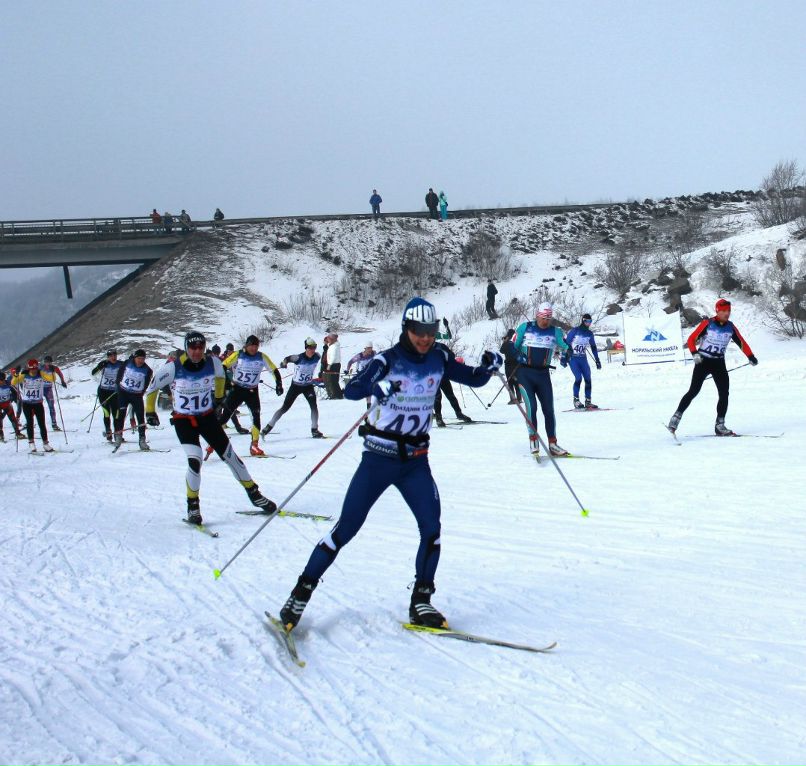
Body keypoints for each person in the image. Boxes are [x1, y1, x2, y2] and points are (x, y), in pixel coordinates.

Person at [276, 297, 502, 632]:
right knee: (346, 529)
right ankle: (300, 593)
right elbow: (351, 390)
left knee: (432, 529)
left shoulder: (439, 356)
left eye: (430, 330)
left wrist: (489, 365)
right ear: (406, 329)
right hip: (379, 458)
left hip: (415, 461)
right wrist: (375, 385)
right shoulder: (388, 359)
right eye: (418, 331)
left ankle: (421, 600)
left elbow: (474, 378)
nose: (425, 337)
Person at [144, 331, 275, 525]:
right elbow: (153, 387)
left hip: (206, 418)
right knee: (195, 459)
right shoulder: (174, 367)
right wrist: (150, 412)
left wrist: (219, 397)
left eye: (200, 348)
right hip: (184, 420)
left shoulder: (212, 362)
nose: (197, 352)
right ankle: (193, 506)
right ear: (186, 347)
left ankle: (254, 494)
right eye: (193, 348)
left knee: (231, 456)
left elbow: (221, 375)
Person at [667, 298, 758, 436]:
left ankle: (720, 426)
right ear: (717, 311)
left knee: (724, 393)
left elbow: (742, 343)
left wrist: (750, 356)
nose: (727, 313)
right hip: (703, 361)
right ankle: (675, 419)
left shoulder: (730, 327)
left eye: (728, 311)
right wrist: (694, 353)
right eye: (723, 311)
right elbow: (691, 340)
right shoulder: (708, 323)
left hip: (719, 363)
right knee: (694, 391)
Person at [512, 302, 570, 456]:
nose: (545, 321)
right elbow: (511, 346)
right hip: (525, 373)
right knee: (532, 407)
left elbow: (565, 346)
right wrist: (518, 356)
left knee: (548, 409)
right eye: (543, 318)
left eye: (549, 318)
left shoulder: (555, 331)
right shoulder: (525, 327)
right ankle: (533, 439)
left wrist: (567, 353)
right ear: (537, 315)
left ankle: (553, 444)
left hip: (543, 375)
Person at [215, 335, 283, 456]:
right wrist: (226, 383)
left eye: (256, 346)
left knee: (256, 417)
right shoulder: (239, 354)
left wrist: (279, 384)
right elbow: (223, 366)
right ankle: (213, 443)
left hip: (252, 391)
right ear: (246, 345)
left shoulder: (261, 357)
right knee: (225, 417)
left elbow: (273, 370)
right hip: (237, 389)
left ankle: (254, 446)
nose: (253, 348)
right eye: (251, 345)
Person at [261, 338, 324, 438]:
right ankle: (268, 427)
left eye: (314, 347)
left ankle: (314, 430)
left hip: (308, 386)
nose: (313, 350)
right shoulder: (298, 357)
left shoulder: (317, 356)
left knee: (314, 406)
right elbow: (287, 358)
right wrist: (284, 363)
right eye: (310, 348)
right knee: (285, 408)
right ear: (306, 348)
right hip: (296, 386)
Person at [113, 350, 153, 450]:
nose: (141, 361)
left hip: (136, 395)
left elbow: (146, 383)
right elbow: (119, 374)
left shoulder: (148, 370)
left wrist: (141, 392)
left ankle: (142, 440)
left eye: (143, 359)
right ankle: (118, 436)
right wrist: (118, 386)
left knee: (140, 417)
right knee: (121, 415)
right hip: (123, 393)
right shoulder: (127, 363)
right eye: (139, 358)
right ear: (134, 358)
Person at [11, 360, 53, 452]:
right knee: (30, 422)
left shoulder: (41, 373)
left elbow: (52, 379)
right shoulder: (24, 374)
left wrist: (52, 371)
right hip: (27, 403)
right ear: (29, 368)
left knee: (42, 423)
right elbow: (13, 383)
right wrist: (16, 374)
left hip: (38, 403)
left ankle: (45, 444)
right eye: (32, 369)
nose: (33, 371)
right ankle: (31, 443)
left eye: (35, 368)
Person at [563, 314, 602, 409]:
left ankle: (588, 401)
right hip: (573, 358)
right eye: (587, 322)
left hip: (583, 358)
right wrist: (564, 358)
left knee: (588, 379)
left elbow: (593, 347)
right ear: (583, 321)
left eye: (590, 322)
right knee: (578, 378)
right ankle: (576, 400)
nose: (588, 324)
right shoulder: (575, 331)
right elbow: (565, 343)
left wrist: (597, 360)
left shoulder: (589, 334)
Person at [91, 349, 124, 441]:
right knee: (106, 413)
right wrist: (99, 367)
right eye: (111, 356)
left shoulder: (120, 364)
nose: (113, 357)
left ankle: (117, 434)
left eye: (115, 355)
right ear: (108, 357)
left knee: (116, 414)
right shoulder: (104, 363)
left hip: (115, 392)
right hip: (103, 392)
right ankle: (108, 431)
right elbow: (93, 373)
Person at [40, 355, 68, 430]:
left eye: (49, 362)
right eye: (46, 362)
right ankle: (30, 423)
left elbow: (60, 373)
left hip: (48, 389)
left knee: (51, 406)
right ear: (44, 362)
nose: (48, 364)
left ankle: (54, 424)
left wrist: (63, 381)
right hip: (40, 389)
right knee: (37, 406)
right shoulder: (41, 367)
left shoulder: (54, 368)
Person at [345, 343, 376, 408]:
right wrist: (347, 370)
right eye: (368, 348)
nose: (370, 350)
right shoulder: (360, 356)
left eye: (371, 348)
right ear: (365, 348)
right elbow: (350, 362)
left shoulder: (374, 353)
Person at [0, 371, 24, 441]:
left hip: (7, 403)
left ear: (4, 379)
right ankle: (1, 435)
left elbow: (16, 391)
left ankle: (18, 433)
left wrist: (18, 396)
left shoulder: (9, 383)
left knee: (13, 419)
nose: (1, 382)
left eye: (2, 380)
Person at [499, 329, 521, 404]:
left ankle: (513, 399)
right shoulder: (516, 343)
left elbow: (501, 350)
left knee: (511, 382)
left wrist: (505, 342)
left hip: (510, 365)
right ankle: (519, 398)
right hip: (516, 365)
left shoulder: (508, 343)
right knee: (516, 381)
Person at [323, 332, 343, 399]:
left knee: (333, 381)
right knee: (333, 381)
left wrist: (329, 364)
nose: (328, 340)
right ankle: (337, 394)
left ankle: (337, 395)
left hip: (334, 365)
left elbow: (333, 356)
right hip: (334, 364)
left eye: (329, 339)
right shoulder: (332, 345)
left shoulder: (334, 346)